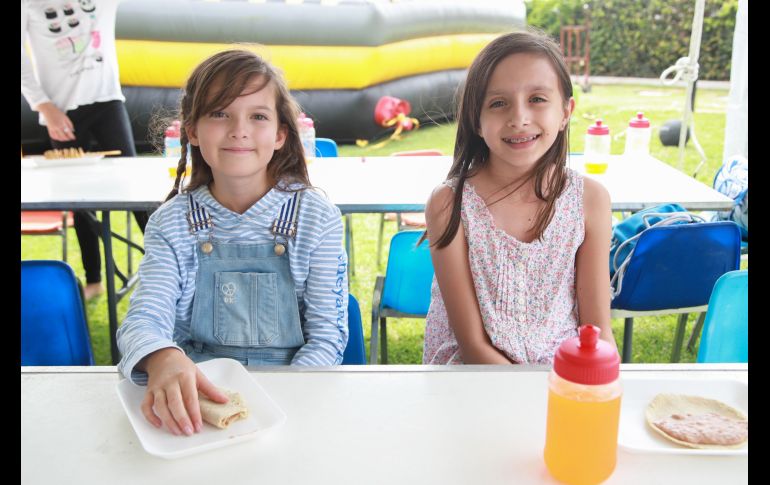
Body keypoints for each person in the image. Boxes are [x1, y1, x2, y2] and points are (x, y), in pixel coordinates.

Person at [117, 49, 349, 436]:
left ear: (280, 135)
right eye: (219, 113)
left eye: (257, 116)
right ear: (192, 130)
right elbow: (143, 320)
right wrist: (161, 357)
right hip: (197, 409)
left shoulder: (316, 218)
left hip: (294, 404)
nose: (239, 129)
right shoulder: (171, 223)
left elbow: (327, 338)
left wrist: (280, 410)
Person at [422, 30, 618, 365]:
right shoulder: (449, 204)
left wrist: (595, 391)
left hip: (561, 379)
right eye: (498, 103)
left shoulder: (590, 200)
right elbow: (472, 344)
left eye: (537, 99)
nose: (519, 118)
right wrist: (532, 399)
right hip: (469, 381)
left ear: (566, 112)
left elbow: (596, 329)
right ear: (477, 122)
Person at [21, 0, 149, 300]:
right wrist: (43, 106)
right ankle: (94, 279)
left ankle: (169, 269)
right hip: (61, 109)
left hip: (107, 101)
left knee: (137, 191)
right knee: (80, 200)